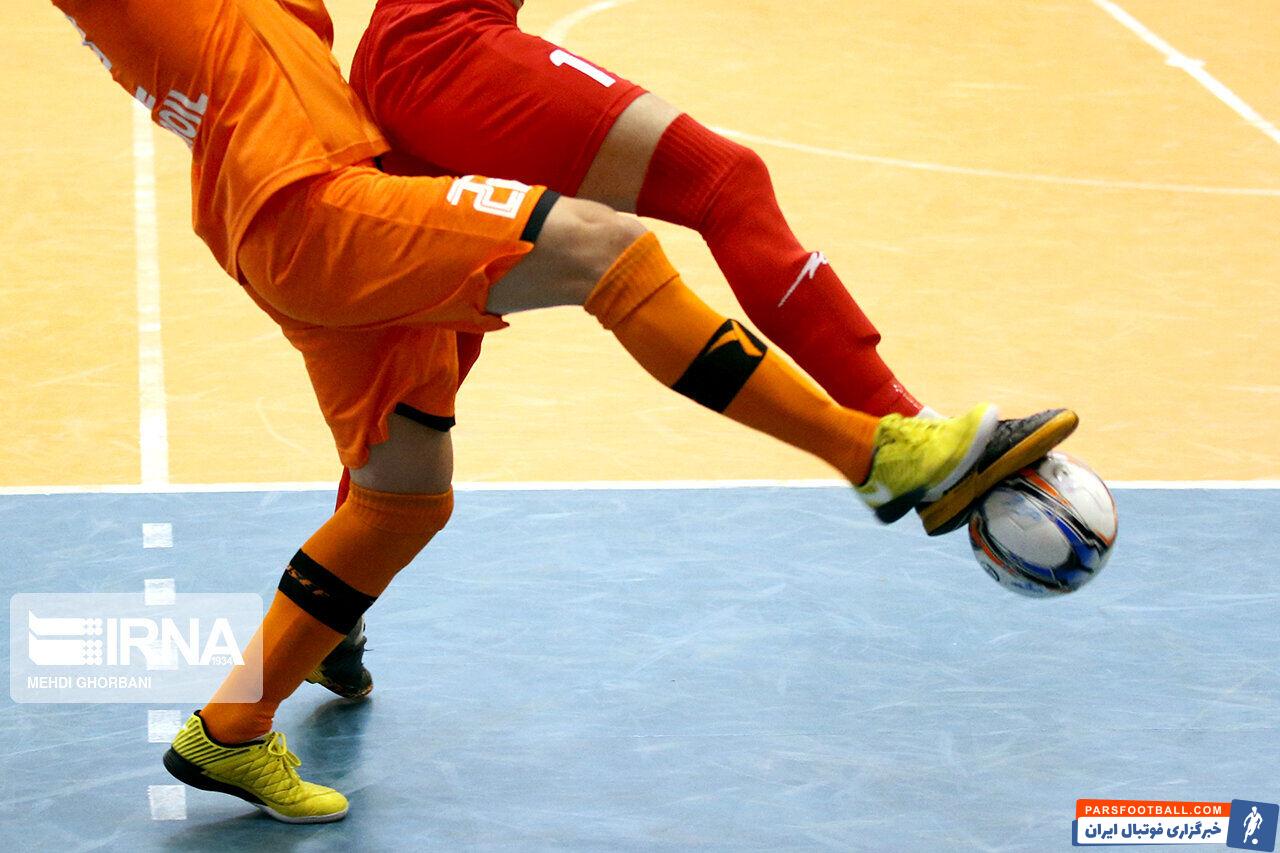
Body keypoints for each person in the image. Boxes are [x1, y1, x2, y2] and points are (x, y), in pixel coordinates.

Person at [53, 0, 1076, 823]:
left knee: (401, 501)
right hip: (317, 208)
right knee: (602, 249)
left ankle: (230, 728)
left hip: (302, 223)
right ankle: (877, 452)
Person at [312, 0, 947, 697]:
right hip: (446, 46)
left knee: (422, 370)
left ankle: (324, 618)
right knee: (724, 181)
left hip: (405, 56)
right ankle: (908, 435)